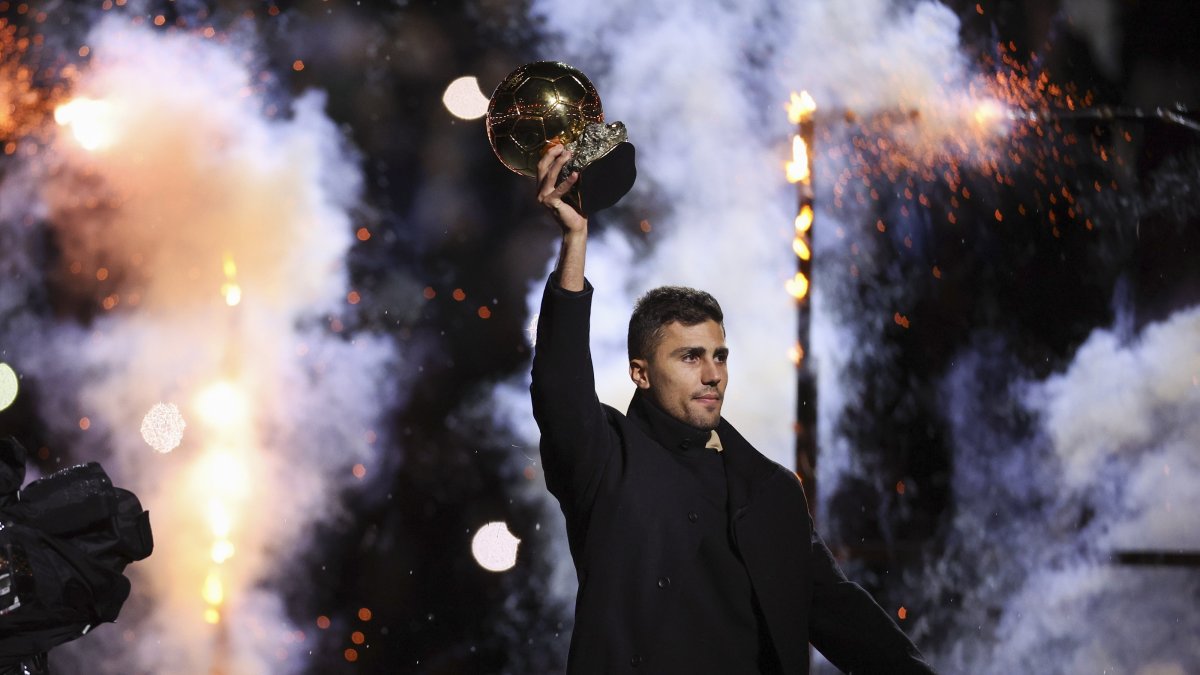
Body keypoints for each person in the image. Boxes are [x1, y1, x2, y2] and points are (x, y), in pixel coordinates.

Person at [529, 144, 937, 675]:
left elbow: (841, 614)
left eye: (719, 356)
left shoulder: (771, 490)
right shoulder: (605, 460)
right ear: (641, 372)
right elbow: (560, 384)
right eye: (689, 357)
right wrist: (575, 239)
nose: (712, 373)